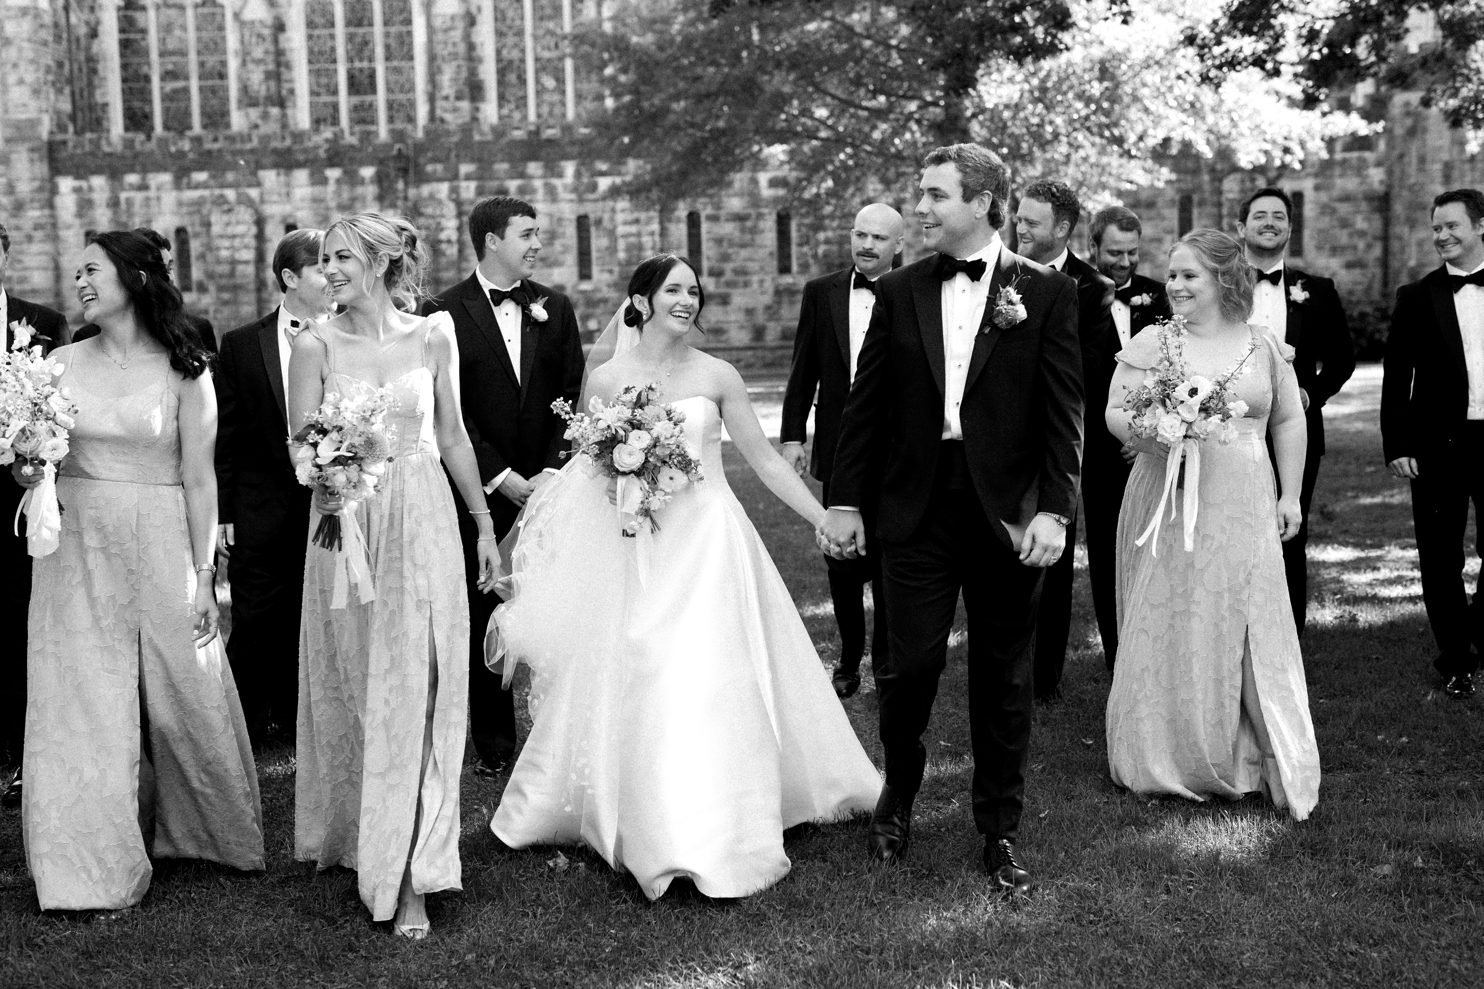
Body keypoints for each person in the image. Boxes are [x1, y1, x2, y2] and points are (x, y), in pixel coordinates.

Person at [488, 254, 880, 900]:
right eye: (674, 289)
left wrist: (822, 517)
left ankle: (721, 815)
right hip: (635, 550)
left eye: (694, 291)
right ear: (640, 300)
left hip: (709, 546)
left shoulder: (718, 374)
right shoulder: (606, 379)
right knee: (641, 664)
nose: (687, 300)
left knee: (712, 674)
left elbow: (764, 461)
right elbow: (587, 475)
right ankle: (641, 811)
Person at [821, 144, 1085, 898]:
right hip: (916, 506)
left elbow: (1063, 412)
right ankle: (898, 793)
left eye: (937, 194)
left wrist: (1054, 510)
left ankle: (999, 827)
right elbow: (865, 405)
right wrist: (845, 499)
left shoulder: (1046, 292)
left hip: (1008, 513)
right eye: (922, 193)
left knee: (1004, 674)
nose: (921, 207)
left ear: (984, 202)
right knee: (908, 667)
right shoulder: (900, 289)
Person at [19, 230, 263, 911]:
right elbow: (37, 456)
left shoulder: (186, 368)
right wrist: (28, 470)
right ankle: (84, 860)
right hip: (77, 549)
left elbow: (200, 479)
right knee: (82, 694)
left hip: (160, 538)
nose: (80, 283)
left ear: (134, 277)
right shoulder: (58, 363)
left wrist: (205, 575)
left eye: (92, 270)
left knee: (187, 685)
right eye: (77, 273)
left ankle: (206, 829)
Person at [290, 212, 499, 939]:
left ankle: (414, 873)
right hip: (345, 525)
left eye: (342, 257)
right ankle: (368, 836)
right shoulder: (313, 345)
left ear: (381, 261)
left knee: (423, 683)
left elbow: (454, 435)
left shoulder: (434, 334)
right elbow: (300, 445)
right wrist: (326, 479)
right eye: (324, 259)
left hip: (423, 514)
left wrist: (483, 525)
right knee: (361, 684)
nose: (329, 271)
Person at [1104, 228, 1320, 820]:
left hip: (1245, 496)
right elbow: (1115, 411)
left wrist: (1291, 495)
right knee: (1175, 611)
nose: (1173, 286)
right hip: (1169, 494)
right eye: (1171, 275)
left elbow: (1288, 420)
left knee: (1247, 614)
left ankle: (1260, 751)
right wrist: (1157, 433)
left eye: (1188, 275)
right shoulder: (1155, 341)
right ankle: (1167, 752)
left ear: (1225, 279)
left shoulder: (1262, 343)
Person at [424, 196, 584, 776]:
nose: (537, 244)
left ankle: (561, 734)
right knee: (485, 607)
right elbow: (447, 409)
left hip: (552, 487)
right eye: (527, 234)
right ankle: (494, 743)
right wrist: (500, 476)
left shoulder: (555, 307)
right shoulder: (440, 312)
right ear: (492, 240)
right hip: (478, 489)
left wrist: (552, 472)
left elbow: (572, 394)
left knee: (561, 606)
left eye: (537, 234)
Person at [780, 203, 904, 698]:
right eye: (859, 234)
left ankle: (889, 662)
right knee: (841, 559)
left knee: (894, 558)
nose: (866, 245)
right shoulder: (822, 291)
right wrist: (793, 436)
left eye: (878, 238)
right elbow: (803, 366)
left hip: (898, 451)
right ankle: (850, 659)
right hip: (837, 447)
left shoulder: (913, 290)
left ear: (899, 245)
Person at [215, 228, 328, 747]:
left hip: (332, 503)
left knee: (319, 615)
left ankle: (304, 716)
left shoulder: (346, 337)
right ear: (290, 277)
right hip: (259, 507)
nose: (332, 276)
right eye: (321, 267)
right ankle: (241, 728)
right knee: (256, 617)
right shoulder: (241, 343)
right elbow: (227, 434)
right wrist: (225, 513)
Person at [1381, 188, 1484, 698]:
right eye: (1436, 227)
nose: (1441, 235)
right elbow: (1397, 375)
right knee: (1440, 557)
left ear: (1480, 226)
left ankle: (1476, 628)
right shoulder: (1417, 297)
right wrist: (1398, 444)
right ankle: (1456, 661)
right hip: (1437, 445)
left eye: (1452, 226)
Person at [1237, 187, 1354, 636]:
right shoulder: (1220, 285)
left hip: (1297, 432)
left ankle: (1286, 639)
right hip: (1230, 429)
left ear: (1290, 227)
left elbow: (1342, 359)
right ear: (1241, 227)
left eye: (1279, 216)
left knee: (1289, 530)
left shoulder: (1317, 290)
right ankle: (1235, 632)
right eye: (1260, 215)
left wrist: (1309, 393)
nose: (1270, 222)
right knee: (1233, 531)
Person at [1014, 180, 1115, 700]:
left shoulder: (1093, 288)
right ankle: (1006, 664)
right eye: (1018, 218)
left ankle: (1043, 678)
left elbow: (1092, 370)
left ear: (1062, 228)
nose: (1019, 228)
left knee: (1052, 561)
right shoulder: (1001, 275)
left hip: (1062, 441)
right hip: (1006, 441)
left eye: (1031, 222)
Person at [0, 220, 69, 810]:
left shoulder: (43, 323)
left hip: (20, 503)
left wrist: (39, 465)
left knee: (24, 628)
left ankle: (26, 757)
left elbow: (61, 412)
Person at [1085, 205, 1169, 672]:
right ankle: (1117, 655)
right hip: (1097, 450)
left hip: (1155, 446)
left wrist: (1146, 431)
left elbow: (1175, 370)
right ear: (1093, 246)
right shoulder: (1074, 294)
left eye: (1132, 252)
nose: (1124, 262)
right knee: (1106, 552)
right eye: (1115, 252)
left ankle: (1157, 649)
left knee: (1158, 549)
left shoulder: (1161, 298)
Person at [74, 227, 217, 352]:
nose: (170, 277)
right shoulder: (85, 338)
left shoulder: (196, 329)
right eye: (160, 270)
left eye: (170, 268)